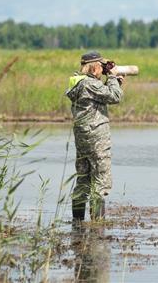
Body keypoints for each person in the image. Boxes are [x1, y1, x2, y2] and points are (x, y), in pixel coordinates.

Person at [65, 51, 124, 222]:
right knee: (100, 179)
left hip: (83, 138)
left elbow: (101, 96)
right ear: (94, 67)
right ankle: (97, 227)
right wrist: (113, 79)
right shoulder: (90, 84)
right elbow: (114, 96)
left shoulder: (78, 83)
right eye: (101, 65)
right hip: (97, 138)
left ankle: (77, 225)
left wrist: (113, 82)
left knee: (83, 178)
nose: (103, 69)